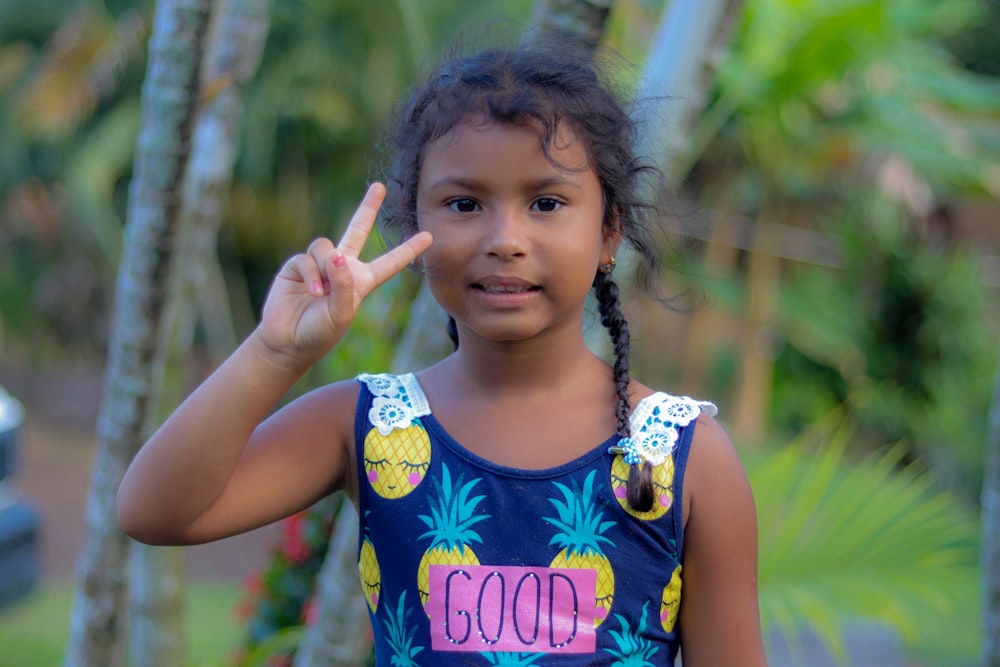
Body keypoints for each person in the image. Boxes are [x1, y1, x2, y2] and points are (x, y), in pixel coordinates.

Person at [117, 37, 767, 666]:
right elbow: (155, 510)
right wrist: (275, 351)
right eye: (464, 203)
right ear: (414, 224)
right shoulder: (372, 427)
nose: (505, 238)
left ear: (608, 231)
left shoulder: (684, 455)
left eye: (546, 202)